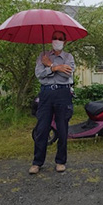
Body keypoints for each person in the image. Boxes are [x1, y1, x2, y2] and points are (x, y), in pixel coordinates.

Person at [29, 31, 75, 174]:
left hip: (63, 93)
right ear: (51, 40)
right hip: (46, 94)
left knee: (62, 129)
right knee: (42, 129)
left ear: (65, 42)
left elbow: (67, 74)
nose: (57, 40)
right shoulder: (43, 56)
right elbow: (39, 75)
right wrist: (56, 67)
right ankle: (37, 162)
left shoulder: (68, 57)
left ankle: (60, 161)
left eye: (60, 39)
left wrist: (50, 65)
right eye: (54, 38)